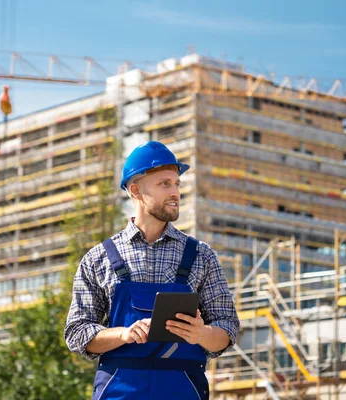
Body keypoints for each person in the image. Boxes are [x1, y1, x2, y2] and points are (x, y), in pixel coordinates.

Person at [64, 141, 240, 400]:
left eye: (177, 184)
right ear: (135, 190)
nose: (175, 193)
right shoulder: (97, 259)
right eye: (164, 184)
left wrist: (201, 333)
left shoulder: (202, 256)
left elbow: (228, 329)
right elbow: (76, 333)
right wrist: (124, 334)